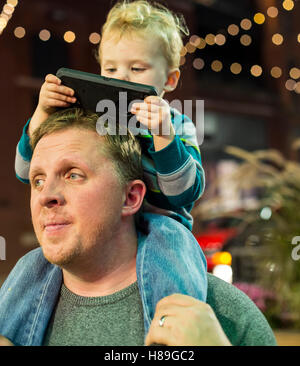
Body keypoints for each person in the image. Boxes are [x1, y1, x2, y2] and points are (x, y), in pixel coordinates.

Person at [0, 109, 277, 346]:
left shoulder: (225, 315)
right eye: (37, 180)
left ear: (131, 197)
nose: (46, 195)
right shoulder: (10, 310)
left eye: (73, 175)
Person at [14, 0, 207, 304]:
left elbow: (184, 193)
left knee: (174, 253)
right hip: (104, 225)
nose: (122, 78)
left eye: (137, 68)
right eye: (111, 68)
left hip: (160, 225)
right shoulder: (93, 119)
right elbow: (25, 171)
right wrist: (41, 113)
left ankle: (169, 333)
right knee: (31, 268)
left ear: (169, 79)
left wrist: (163, 137)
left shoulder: (176, 124)